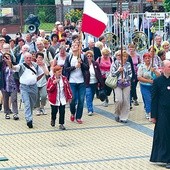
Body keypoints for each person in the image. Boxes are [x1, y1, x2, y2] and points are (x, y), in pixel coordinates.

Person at [7, 52, 44, 128]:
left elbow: (41, 73)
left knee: (32, 104)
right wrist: (9, 63)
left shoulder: (35, 65)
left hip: (34, 87)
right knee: (27, 103)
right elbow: (13, 68)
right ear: (24, 58)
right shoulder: (21, 66)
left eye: (30, 58)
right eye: (27, 58)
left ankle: (29, 116)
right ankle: (29, 120)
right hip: (24, 87)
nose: (29, 59)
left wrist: (35, 80)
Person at [150, 60, 170, 169]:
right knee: (164, 134)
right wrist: (153, 115)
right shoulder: (157, 81)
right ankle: (165, 158)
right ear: (163, 68)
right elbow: (154, 99)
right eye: (169, 67)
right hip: (162, 112)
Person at [64, 41, 89, 124]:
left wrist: (81, 63)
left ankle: (78, 117)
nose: (75, 47)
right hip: (72, 82)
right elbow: (66, 69)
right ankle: (72, 112)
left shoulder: (82, 56)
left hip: (81, 82)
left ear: (79, 47)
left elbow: (87, 67)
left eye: (76, 45)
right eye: (73, 45)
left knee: (81, 100)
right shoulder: (69, 57)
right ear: (71, 48)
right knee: (73, 99)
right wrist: (75, 67)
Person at [47, 65, 72, 130]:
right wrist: (53, 83)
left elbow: (68, 88)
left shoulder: (64, 79)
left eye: (60, 72)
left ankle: (61, 124)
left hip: (62, 98)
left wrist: (70, 97)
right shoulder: (51, 79)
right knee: (54, 111)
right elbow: (48, 89)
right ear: (54, 72)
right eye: (58, 72)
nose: (60, 73)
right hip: (54, 99)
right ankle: (53, 119)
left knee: (62, 111)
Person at [110, 50, 132, 123]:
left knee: (126, 100)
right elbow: (112, 74)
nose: (125, 58)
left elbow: (130, 74)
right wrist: (119, 71)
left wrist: (125, 79)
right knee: (119, 100)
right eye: (123, 56)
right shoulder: (115, 63)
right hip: (117, 83)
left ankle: (124, 117)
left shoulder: (128, 64)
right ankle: (117, 112)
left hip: (126, 84)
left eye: (126, 56)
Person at [137, 53, 160, 120]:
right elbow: (139, 77)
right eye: (146, 58)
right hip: (144, 86)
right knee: (148, 99)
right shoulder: (141, 67)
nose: (147, 59)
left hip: (153, 86)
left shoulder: (154, 65)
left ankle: (151, 111)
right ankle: (149, 113)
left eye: (149, 58)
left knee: (153, 99)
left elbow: (159, 75)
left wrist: (154, 71)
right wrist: (149, 81)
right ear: (143, 59)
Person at [85, 50, 104, 116]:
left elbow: (99, 73)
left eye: (90, 56)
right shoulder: (84, 64)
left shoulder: (95, 64)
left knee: (92, 96)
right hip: (87, 83)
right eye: (88, 56)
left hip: (95, 83)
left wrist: (101, 82)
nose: (89, 57)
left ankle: (90, 106)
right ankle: (90, 110)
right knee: (88, 95)